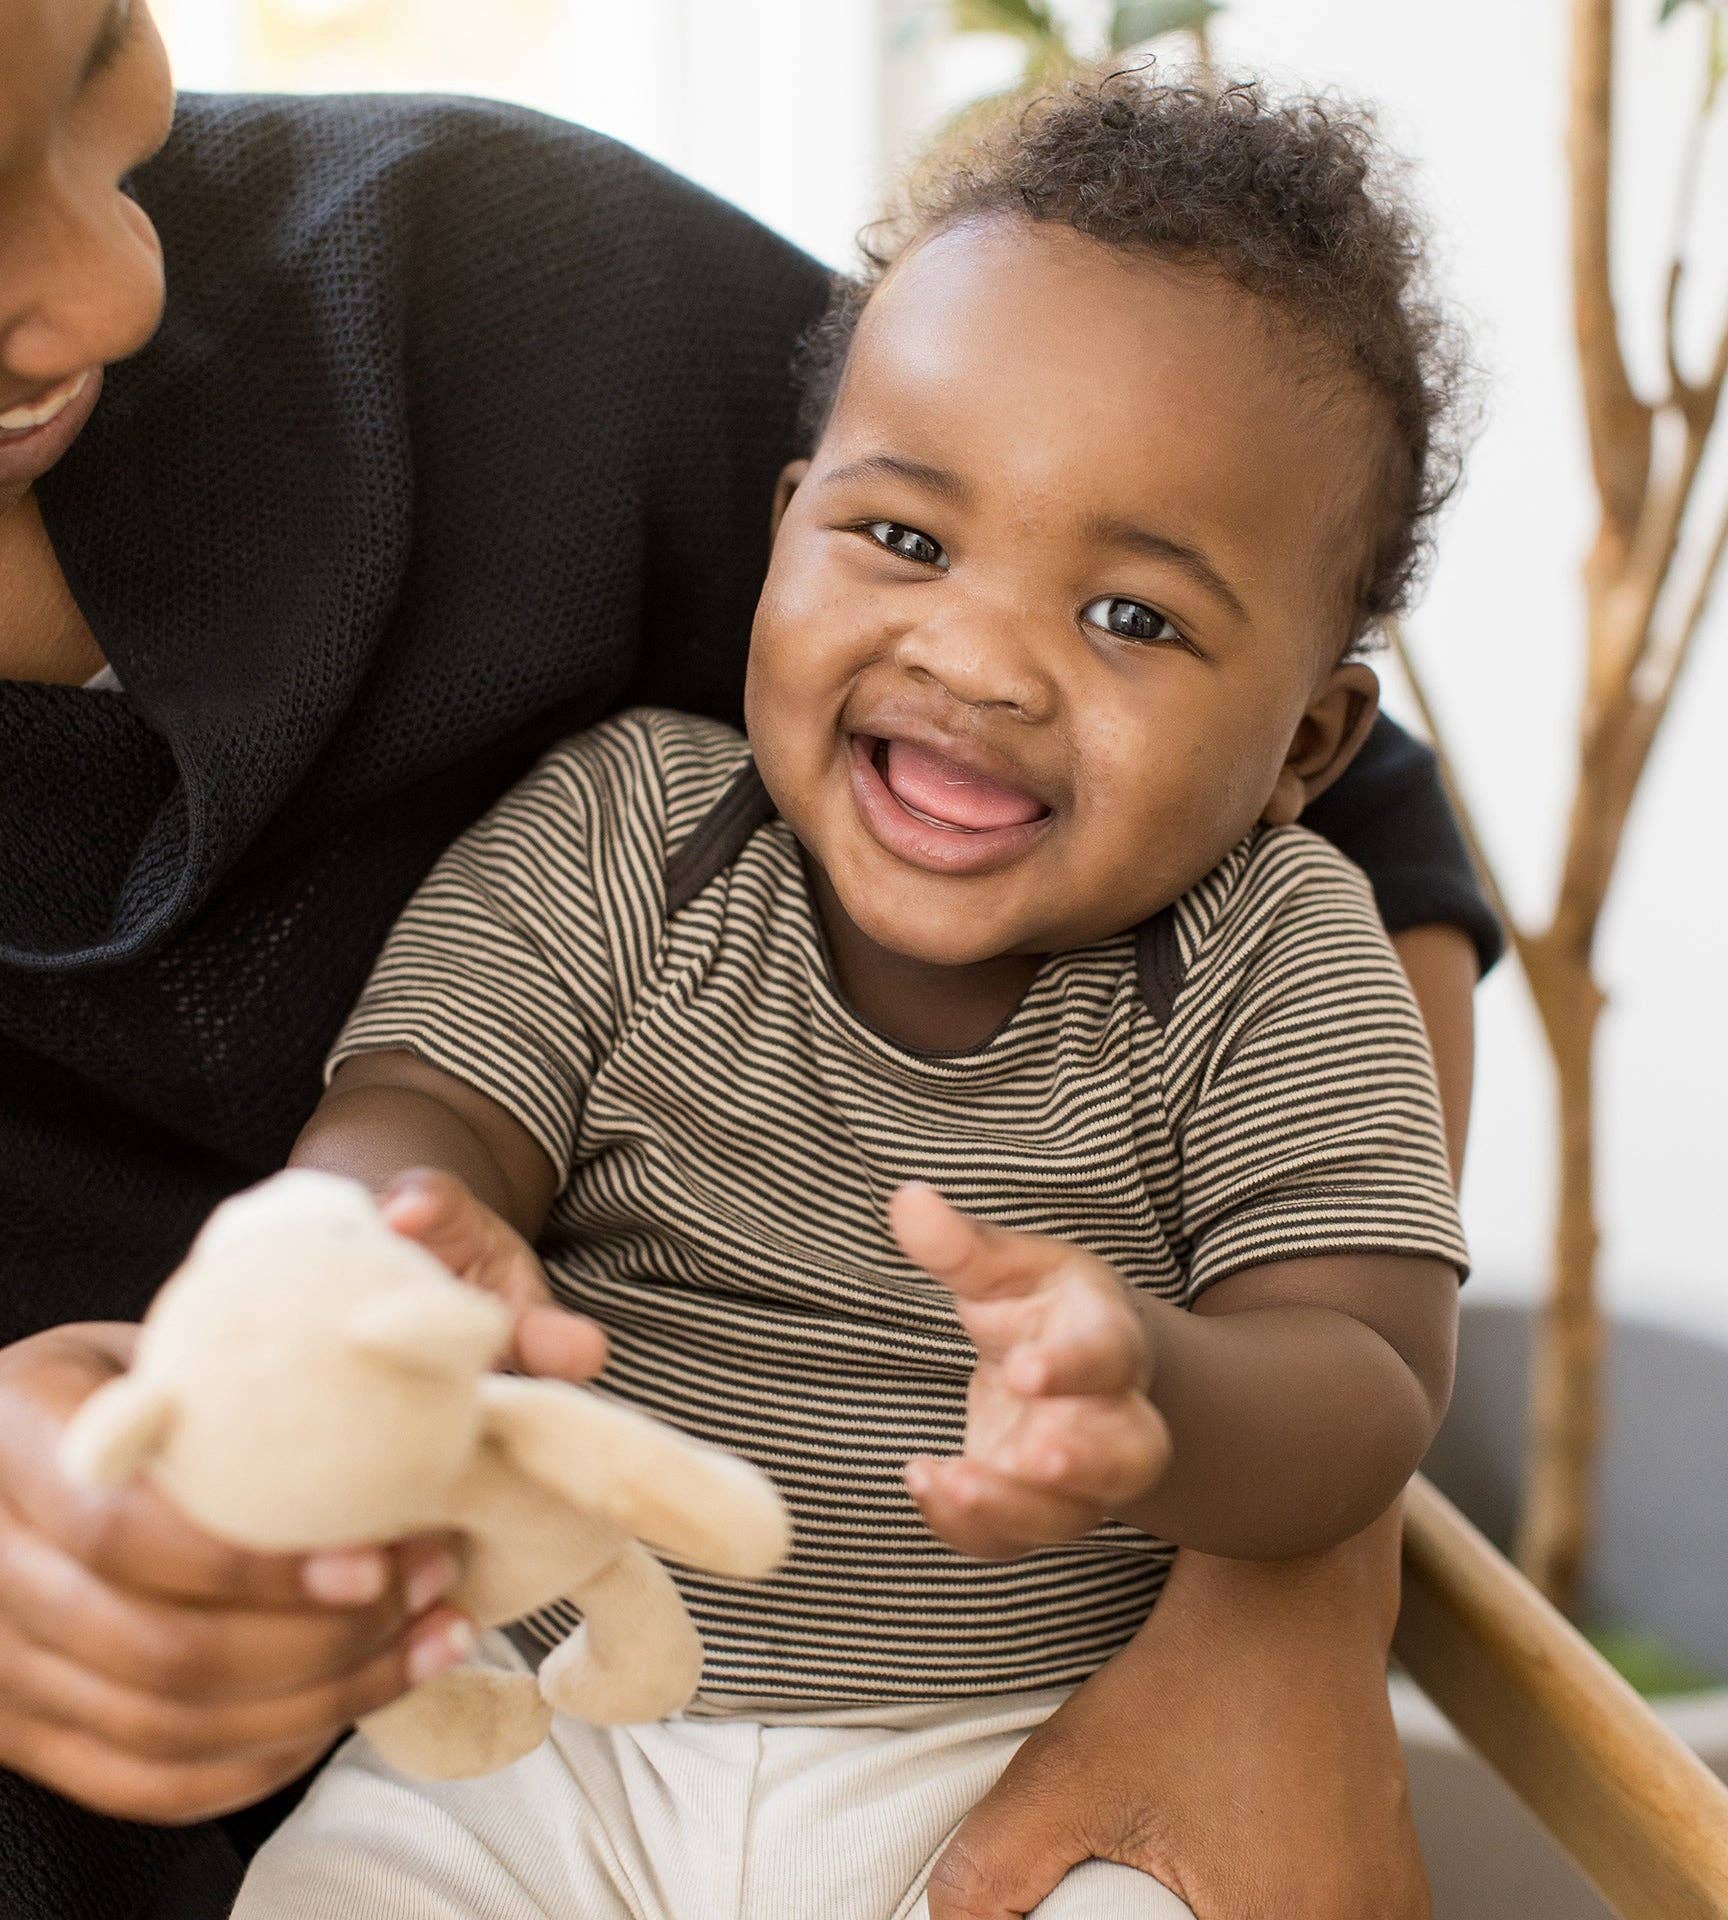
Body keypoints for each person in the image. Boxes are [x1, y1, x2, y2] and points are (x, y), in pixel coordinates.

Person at [0, 3, 1492, 1915]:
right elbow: (426, 1111)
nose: (980, 660)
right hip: (557, 1732)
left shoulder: (1272, 953)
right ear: (782, 539)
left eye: (1130, 613)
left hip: (1008, 1754)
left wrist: (1170, 1411)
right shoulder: (631, 827)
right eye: (903, 539)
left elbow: (1364, 1368)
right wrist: (382, 1244)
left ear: (1303, 748)